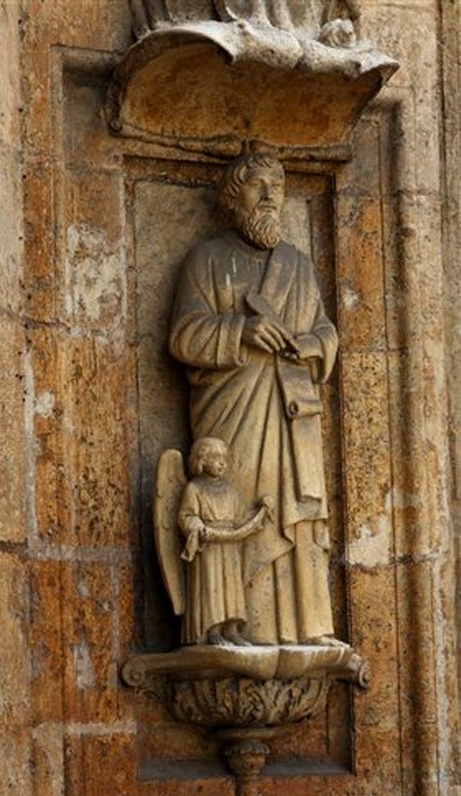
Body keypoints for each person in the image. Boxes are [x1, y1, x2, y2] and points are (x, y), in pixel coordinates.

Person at [169, 149, 341, 645]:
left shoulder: (298, 266)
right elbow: (182, 337)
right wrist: (241, 332)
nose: (269, 196)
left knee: (296, 512)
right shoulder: (207, 259)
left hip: (292, 415)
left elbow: (326, 332)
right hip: (235, 414)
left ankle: (308, 628)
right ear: (232, 197)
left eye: (277, 186)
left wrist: (307, 344)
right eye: (256, 185)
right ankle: (235, 624)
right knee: (238, 511)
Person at [178, 437, 272, 646]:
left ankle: (231, 629)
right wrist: (198, 528)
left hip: (230, 546)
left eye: (224, 458)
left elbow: (241, 518)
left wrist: (261, 510)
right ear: (201, 460)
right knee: (212, 585)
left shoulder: (230, 490)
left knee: (231, 587)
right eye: (215, 458)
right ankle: (213, 630)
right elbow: (187, 516)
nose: (222, 463)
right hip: (209, 546)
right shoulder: (194, 489)